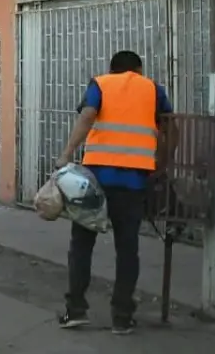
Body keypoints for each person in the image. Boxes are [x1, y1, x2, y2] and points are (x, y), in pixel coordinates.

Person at [54, 50, 173, 335]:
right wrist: (163, 162)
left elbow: (88, 115)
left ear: (112, 69)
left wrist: (66, 154)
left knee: (82, 244)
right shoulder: (153, 89)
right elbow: (171, 126)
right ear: (138, 69)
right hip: (133, 183)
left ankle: (76, 311)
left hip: (95, 181)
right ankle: (121, 317)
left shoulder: (101, 84)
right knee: (127, 249)